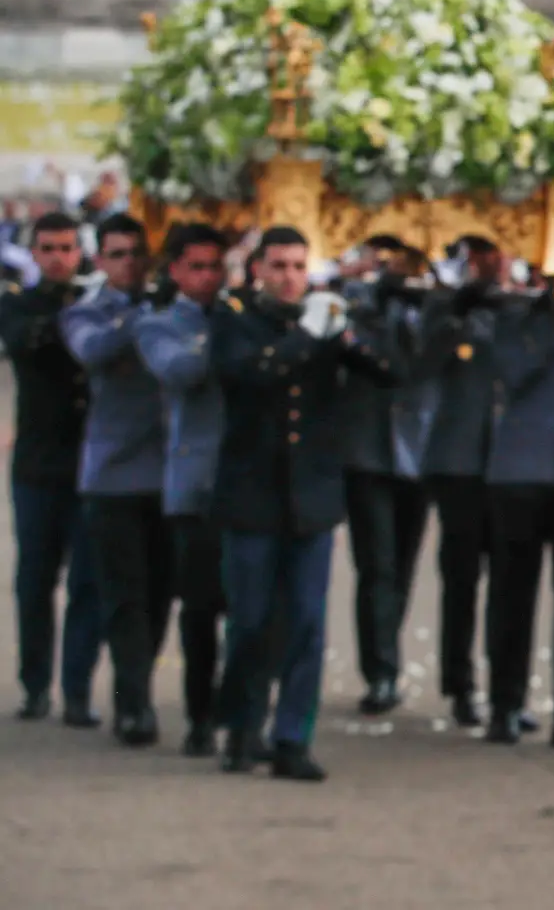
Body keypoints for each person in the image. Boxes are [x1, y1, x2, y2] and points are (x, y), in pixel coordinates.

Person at [209, 226, 398, 782]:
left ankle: (292, 736)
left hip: (311, 495)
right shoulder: (236, 318)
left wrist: (346, 335)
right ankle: (242, 726)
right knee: (249, 621)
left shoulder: (324, 315)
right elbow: (248, 373)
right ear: (259, 269)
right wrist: (309, 336)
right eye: (279, 266)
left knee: (308, 623)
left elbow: (389, 372)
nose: (290, 276)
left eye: (298, 265)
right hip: (252, 495)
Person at [61, 213, 169, 749]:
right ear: (101, 261)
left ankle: (139, 687)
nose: (128, 264)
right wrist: (141, 316)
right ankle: (134, 704)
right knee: (123, 596)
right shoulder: (86, 312)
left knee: (161, 595)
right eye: (117, 254)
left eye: (135, 254)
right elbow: (93, 351)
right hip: (112, 478)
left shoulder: (169, 307)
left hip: (168, 475)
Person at [481, 285, 554, 748]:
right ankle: (505, 705)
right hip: (519, 470)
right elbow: (512, 372)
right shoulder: (515, 316)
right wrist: (545, 318)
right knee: (511, 595)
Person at [132, 223, 231, 756]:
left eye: (216, 267)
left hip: (244, 485)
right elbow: (181, 371)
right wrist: (233, 334)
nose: (208, 278)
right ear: (175, 272)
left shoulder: (241, 317)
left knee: (253, 609)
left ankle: (236, 710)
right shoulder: (159, 325)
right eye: (197, 267)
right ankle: (199, 716)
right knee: (198, 611)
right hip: (194, 488)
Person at [0, 212, 101, 727]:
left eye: (66, 247)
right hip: (38, 465)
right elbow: (23, 341)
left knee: (89, 581)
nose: (59, 257)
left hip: (90, 466)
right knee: (35, 581)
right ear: (35, 254)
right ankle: (35, 685)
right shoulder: (17, 303)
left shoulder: (94, 301)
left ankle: (78, 689)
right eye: (49, 248)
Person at [338, 242, 432, 717]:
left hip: (416, 449)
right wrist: (376, 290)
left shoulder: (435, 297)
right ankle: (380, 672)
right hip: (367, 450)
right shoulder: (359, 296)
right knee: (376, 567)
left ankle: (385, 655)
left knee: (402, 565)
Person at [415, 234, 501, 729]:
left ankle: (503, 691)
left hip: (508, 461)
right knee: (462, 579)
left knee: (509, 584)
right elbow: (422, 364)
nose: (490, 262)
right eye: (481, 253)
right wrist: (454, 313)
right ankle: (460, 684)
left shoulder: (519, 305)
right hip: (459, 461)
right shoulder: (445, 303)